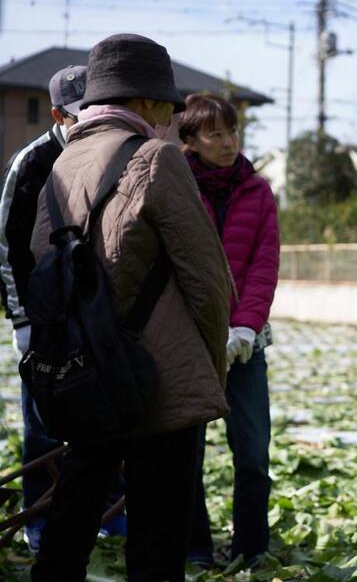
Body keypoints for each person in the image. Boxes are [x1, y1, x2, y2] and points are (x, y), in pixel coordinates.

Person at [29, 33, 231, 581]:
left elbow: (42, 271)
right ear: (145, 102)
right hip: (158, 377)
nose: (168, 118)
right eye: (167, 106)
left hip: (86, 374)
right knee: (157, 537)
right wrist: (211, 371)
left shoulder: (63, 165)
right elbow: (209, 280)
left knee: (74, 508)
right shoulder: (155, 158)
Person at [0, 65, 127, 551]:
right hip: (46, 317)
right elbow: (6, 244)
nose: (89, 121)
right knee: (45, 421)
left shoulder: (112, 154)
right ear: (57, 114)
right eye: (78, 115)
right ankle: (43, 520)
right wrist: (23, 320)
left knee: (106, 415)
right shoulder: (32, 162)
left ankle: (110, 514)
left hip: (98, 315)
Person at [179, 93, 279, 569]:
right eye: (214, 133)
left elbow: (264, 265)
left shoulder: (257, 190)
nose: (226, 142)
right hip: (190, 343)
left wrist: (245, 326)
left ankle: (252, 550)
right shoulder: (174, 185)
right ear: (191, 140)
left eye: (232, 131)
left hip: (245, 345)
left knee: (254, 452)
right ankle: (196, 549)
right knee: (187, 455)